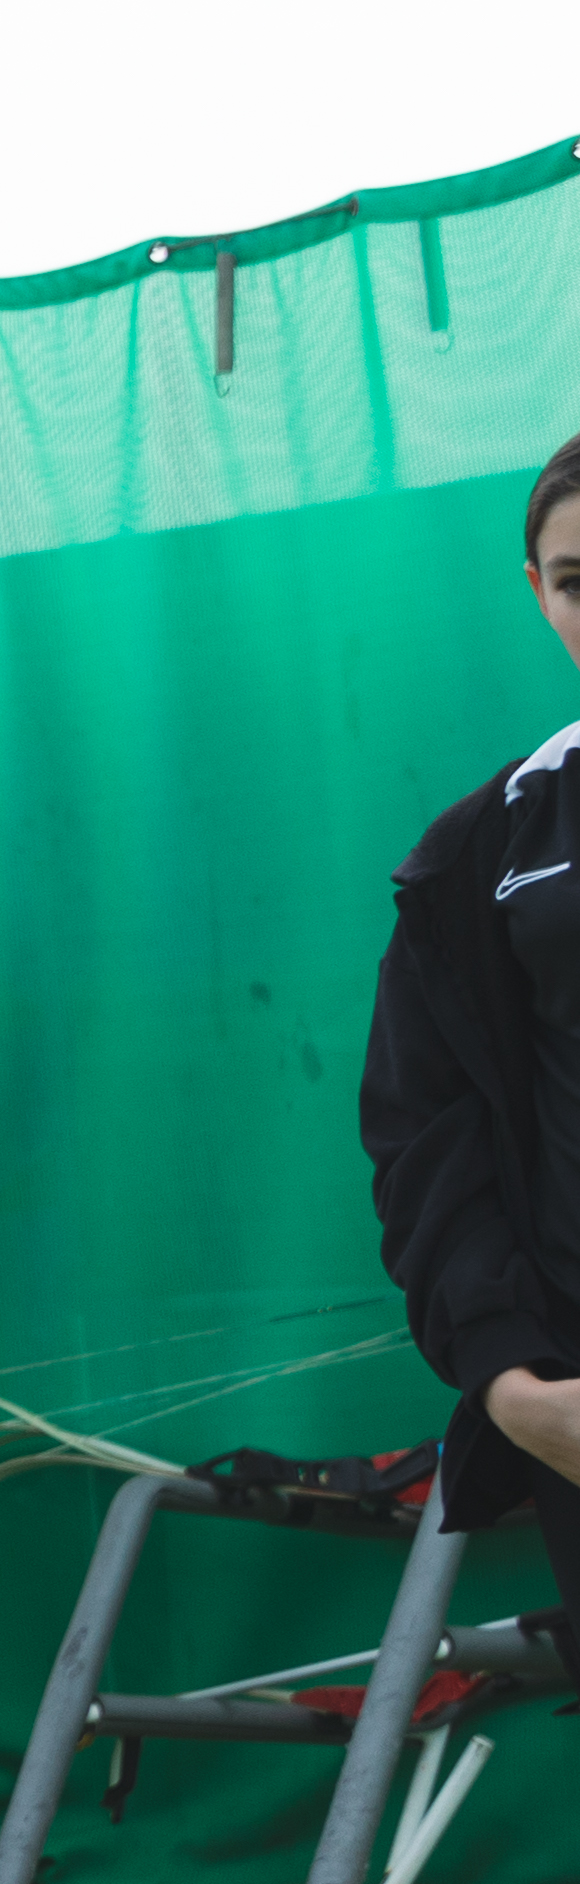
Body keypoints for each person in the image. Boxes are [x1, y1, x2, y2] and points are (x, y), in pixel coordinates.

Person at [364, 430, 580, 1595]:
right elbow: (424, 1136)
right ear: (535, 592)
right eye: (575, 580)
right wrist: (516, 1384)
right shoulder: (477, 856)